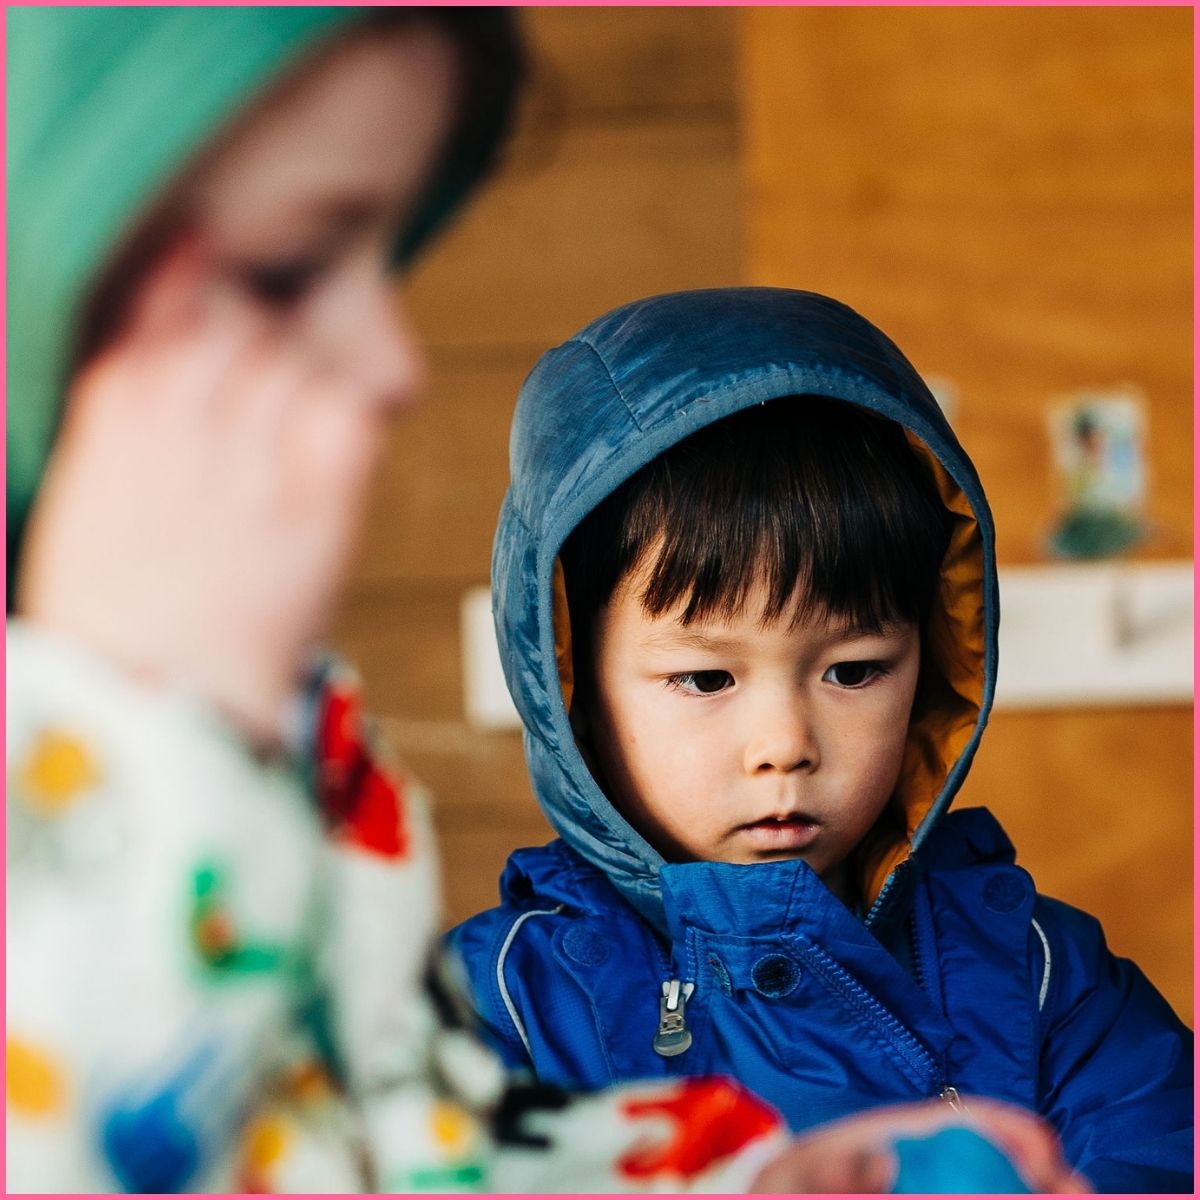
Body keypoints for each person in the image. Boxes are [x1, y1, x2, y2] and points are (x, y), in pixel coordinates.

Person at [6, 9, 1083, 1194]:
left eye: (388, 261)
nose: (395, 360)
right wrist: (125, 741)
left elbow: (411, 1144)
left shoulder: (316, 748)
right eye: (284, 272)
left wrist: (741, 1177)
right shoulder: (107, 750)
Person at [447, 286, 1194, 1193]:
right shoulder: (500, 1013)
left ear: (936, 660)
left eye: (853, 670)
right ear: (573, 687)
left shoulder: (1046, 982)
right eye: (707, 679)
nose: (785, 745)